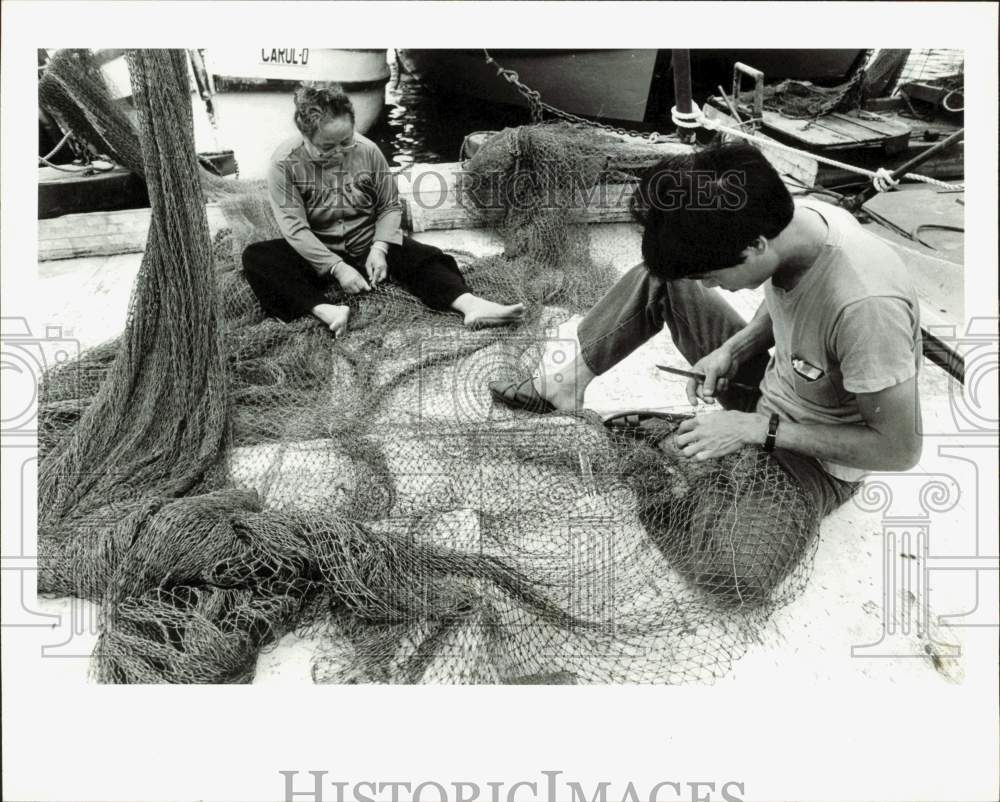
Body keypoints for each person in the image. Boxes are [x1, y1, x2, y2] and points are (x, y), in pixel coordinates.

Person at [490, 142, 924, 519]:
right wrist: (732, 350)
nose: (705, 287)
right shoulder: (796, 225)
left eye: (712, 276)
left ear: (755, 247)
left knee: (735, 574)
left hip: (816, 454)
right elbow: (788, 306)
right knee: (661, 277)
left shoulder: (867, 307)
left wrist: (756, 430)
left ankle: (683, 461)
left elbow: (898, 449)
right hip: (773, 390)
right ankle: (563, 386)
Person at [242, 82, 525, 336]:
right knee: (258, 259)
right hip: (317, 250)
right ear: (305, 135)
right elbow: (296, 228)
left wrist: (379, 248)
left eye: (346, 141)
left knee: (425, 257)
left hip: (365, 241)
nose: (341, 151)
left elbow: (389, 205)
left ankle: (470, 305)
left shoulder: (368, 151)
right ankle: (325, 310)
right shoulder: (283, 164)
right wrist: (336, 268)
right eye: (328, 147)